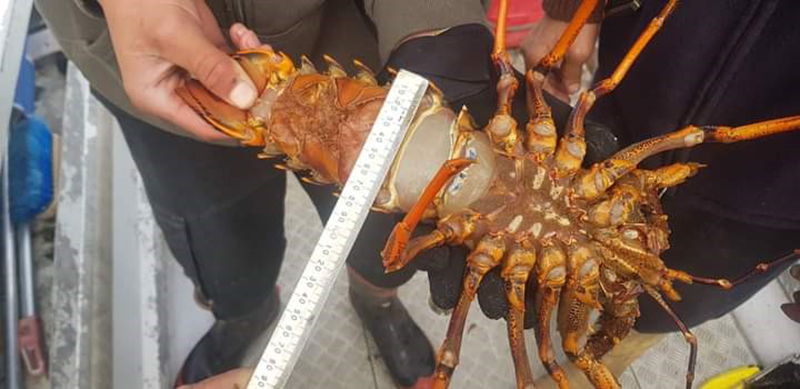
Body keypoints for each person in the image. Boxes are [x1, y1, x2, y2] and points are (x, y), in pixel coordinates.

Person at [34, 0, 490, 388]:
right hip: (157, 70)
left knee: (387, 234)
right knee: (219, 246)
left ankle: (378, 303)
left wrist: (439, 27)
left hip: (355, 46)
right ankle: (243, 314)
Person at [521, 0, 800, 386]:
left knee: (660, 303)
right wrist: (573, 10)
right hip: (641, 77)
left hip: (768, 210)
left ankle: (590, 360)